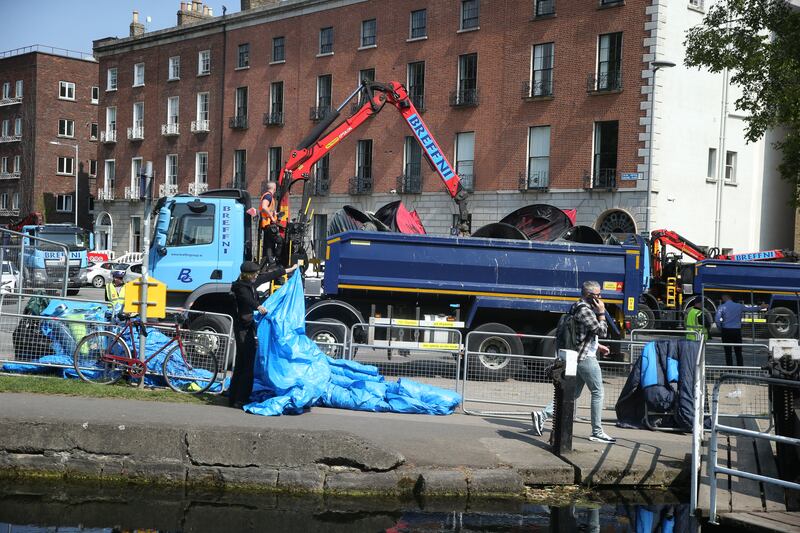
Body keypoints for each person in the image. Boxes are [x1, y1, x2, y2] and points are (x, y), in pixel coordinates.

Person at [531, 281, 616, 444]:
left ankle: (542, 415)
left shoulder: (576, 306)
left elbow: (582, 335)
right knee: (598, 392)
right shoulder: (585, 310)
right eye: (598, 295)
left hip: (578, 355)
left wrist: (598, 346)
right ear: (590, 295)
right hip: (585, 358)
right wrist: (602, 312)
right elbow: (602, 330)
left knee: (573, 393)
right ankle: (597, 431)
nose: (601, 297)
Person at [228, 260, 298, 408]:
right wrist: (258, 306)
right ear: (247, 275)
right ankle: (240, 399)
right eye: (254, 274)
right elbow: (246, 299)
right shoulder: (240, 287)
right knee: (246, 365)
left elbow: (269, 276)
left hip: (247, 327)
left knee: (242, 364)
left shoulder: (251, 283)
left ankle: (233, 397)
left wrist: (289, 269)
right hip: (242, 329)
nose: (257, 276)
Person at [715, 294, 764, 367]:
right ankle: (740, 369)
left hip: (726, 331)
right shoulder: (739, 306)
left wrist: (720, 328)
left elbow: (717, 319)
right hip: (736, 331)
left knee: (728, 352)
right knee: (738, 352)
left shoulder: (721, 307)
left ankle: (730, 369)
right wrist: (760, 307)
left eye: (722, 297)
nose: (722, 299)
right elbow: (750, 309)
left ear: (725, 297)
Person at [259, 181, 283, 266]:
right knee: (280, 241)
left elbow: (267, 209)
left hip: (266, 225)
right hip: (269, 225)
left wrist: (275, 214)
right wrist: (272, 217)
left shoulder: (268, 196)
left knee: (268, 246)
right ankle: (277, 259)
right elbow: (264, 207)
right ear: (274, 189)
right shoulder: (268, 196)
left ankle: (270, 263)